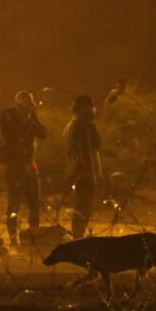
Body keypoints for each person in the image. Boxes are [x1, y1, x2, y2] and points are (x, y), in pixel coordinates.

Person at [0, 91, 47, 246]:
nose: (29, 109)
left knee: (35, 202)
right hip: (13, 165)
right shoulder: (6, 115)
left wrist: (30, 121)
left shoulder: (31, 116)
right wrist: (24, 122)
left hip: (30, 163)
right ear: (18, 105)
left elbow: (43, 133)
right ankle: (13, 238)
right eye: (26, 107)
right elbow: (7, 135)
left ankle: (34, 235)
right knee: (13, 203)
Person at [64, 95, 102, 239]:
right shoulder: (80, 126)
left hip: (76, 171)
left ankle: (77, 236)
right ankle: (78, 237)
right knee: (84, 207)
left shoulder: (72, 124)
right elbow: (85, 151)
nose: (94, 111)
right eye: (91, 107)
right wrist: (91, 172)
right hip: (83, 173)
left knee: (82, 206)